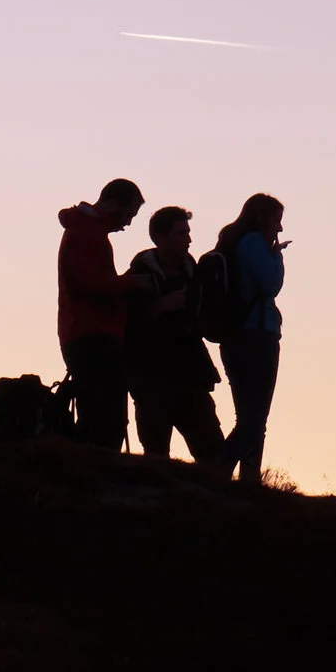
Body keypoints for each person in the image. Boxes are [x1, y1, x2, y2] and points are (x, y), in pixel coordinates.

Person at [124, 205, 225, 463]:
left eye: (187, 232)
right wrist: (158, 308)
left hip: (189, 373)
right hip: (151, 375)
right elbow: (124, 323)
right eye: (181, 233)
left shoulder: (194, 273)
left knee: (213, 453)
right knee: (156, 454)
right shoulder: (138, 276)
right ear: (160, 237)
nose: (189, 239)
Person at [55, 178, 146, 449]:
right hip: (92, 334)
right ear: (115, 203)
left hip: (87, 332)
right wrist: (131, 283)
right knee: (105, 419)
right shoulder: (87, 232)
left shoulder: (86, 230)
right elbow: (85, 283)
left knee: (99, 415)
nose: (128, 223)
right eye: (129, 214)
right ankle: (95, 468)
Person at [214, 194, 287, 485]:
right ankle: (233, 472)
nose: (279, 228)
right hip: (257, 335)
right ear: (262, 218)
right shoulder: (254, 243)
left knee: (247, 414)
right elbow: (271, 285)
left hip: (234, 336)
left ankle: (236, 474)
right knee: (255, 416)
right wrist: (276, 255)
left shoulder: (231, 241)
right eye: (277, 220)